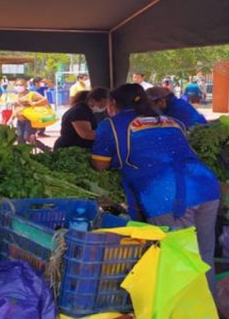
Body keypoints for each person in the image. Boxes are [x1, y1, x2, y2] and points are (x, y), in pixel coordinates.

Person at [91, 84, 221, 294]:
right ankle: (208, 310)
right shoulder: (170, 121)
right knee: (204, 255)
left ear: (113, 104)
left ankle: (184, 312)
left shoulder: (112, 126)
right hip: (206, 187)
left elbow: (100, 164)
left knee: (178, 258)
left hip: (168, 196)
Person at [13, 78, 48, 144]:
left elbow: (45, 100)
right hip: (20, 121)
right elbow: (16, 108)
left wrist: (34, 103)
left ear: (26, 85)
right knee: (20, 138)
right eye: (16, 85)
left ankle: (46, 149)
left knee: (27, 137)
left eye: (20, 85)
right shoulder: (17, 95)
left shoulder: (32, 94)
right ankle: (22, 153)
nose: (18, 87)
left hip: (29, 120)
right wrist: (11, 119)